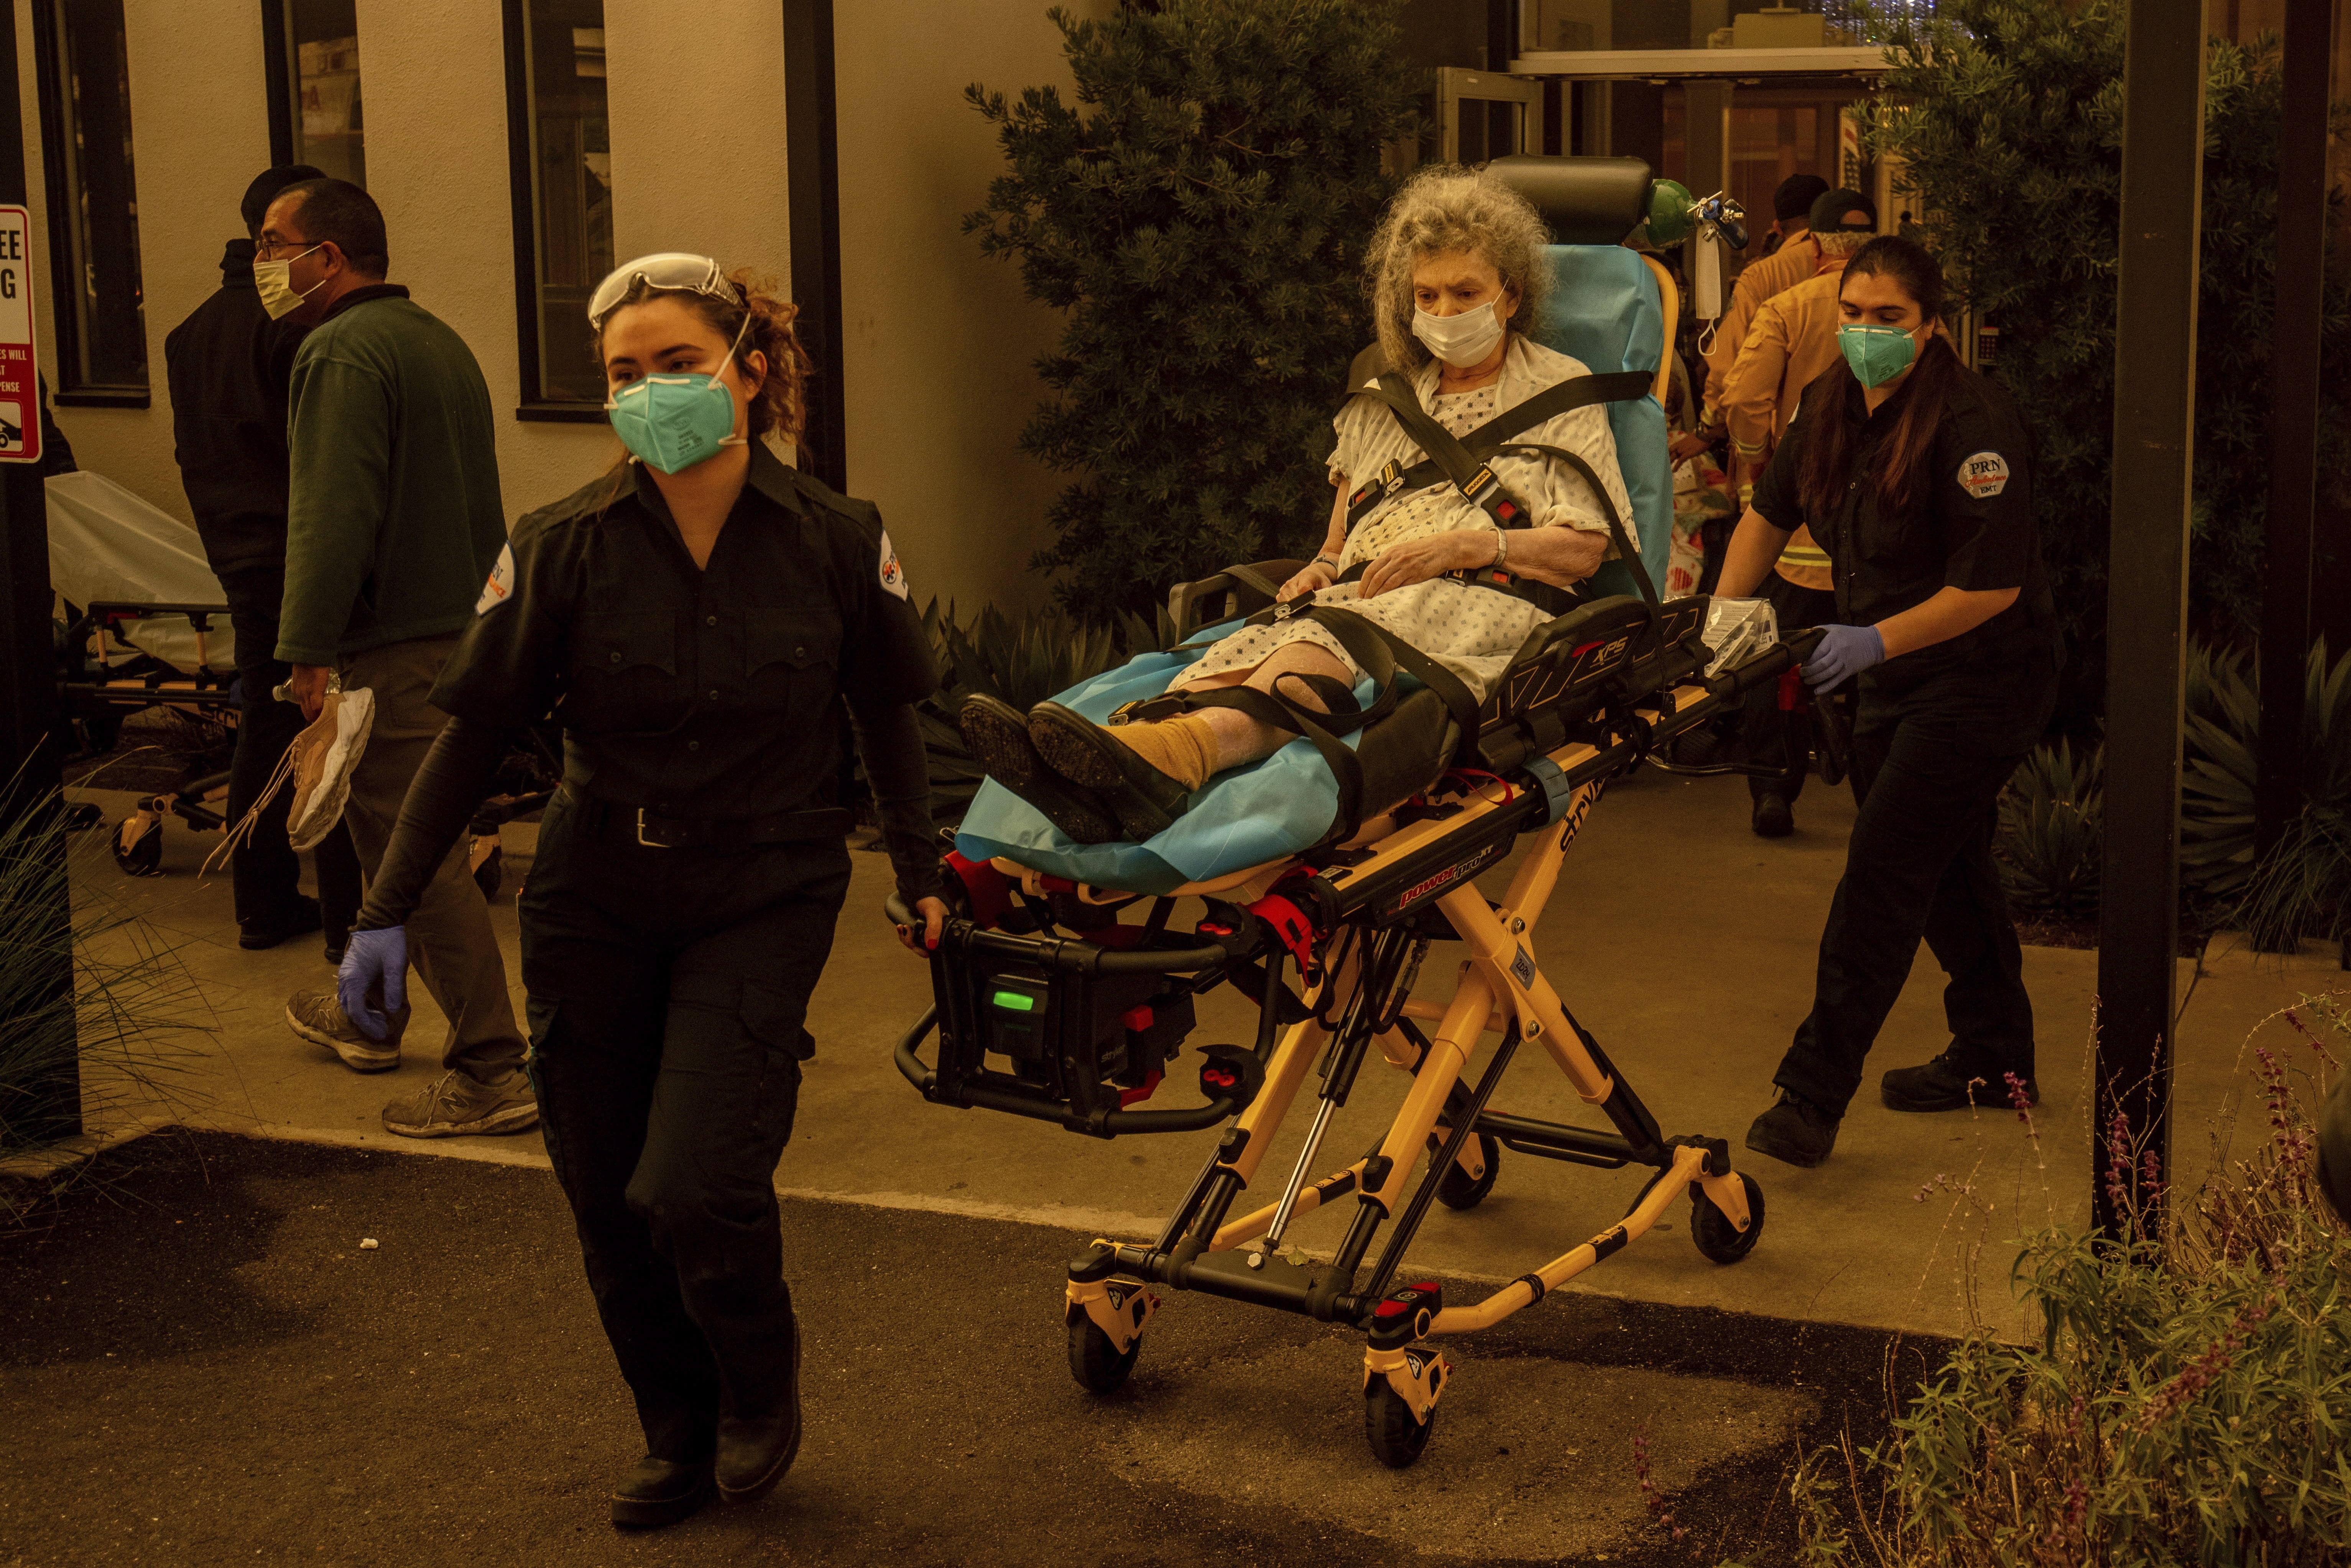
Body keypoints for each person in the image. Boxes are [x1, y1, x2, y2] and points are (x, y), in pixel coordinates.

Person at [331, 254, 950, 1527]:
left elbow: (887, 713)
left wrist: (924, 873)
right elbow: (472, 733)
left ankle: (754, 1379)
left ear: (749, 370)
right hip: (594, 892)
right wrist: (384, 910)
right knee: (607, 1191)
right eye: (624, 374)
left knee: (694, 1182)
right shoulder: (558, 545)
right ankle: (672, 1429)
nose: (649, 392)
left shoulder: (839, 537)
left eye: (676, 364)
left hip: (764, 885)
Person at [958, 166, 1633, 844]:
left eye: (1466, 292)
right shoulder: (1383, 401)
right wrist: (1319, 565)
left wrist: (1470, 546)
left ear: (1510, 296)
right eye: (1427, 295)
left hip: (1482, 595)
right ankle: (1129, 755)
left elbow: (1584, 549)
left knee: (1331, 634)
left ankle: (1175, 758)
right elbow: (1339, 542)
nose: (1446, 313)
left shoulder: (1561, 390)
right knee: (1258, 638)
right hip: (1368, 590)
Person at [1719, 236, 2060, 1169]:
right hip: (1891, 681)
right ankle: (1996, 1054)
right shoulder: (1830, 403)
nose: (1869, 332)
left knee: (1881, 873)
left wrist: (1871, 639)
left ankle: (1810, 1096)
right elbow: (1767, 512)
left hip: (1984, 679)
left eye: (1891, 318)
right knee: (1945, 870)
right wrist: (1716, 624)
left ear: (1931, 324)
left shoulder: (1971, 421)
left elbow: (1989, 588)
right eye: (1856, 314)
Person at [260, 177, 536, 1139]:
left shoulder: (338, 352)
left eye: (272, 243)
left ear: (327, 257)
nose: (264, 264)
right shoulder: (437, 341)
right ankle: (368, 1008)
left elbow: (331, 515)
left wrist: (304, 648)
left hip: (392, 644)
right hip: (462, 626)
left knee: (416, 854)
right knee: (392, 844)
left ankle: (493, 1065)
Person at [164, 162, 365, 960]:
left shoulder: (191, 333)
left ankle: (263, 899)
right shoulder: (297, 329)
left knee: (268, 718)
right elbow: (325, 459)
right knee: (339, 726)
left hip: (235, 552)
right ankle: (348, 921)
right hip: (302, 551)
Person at [1718, 187, 1881, 837]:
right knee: (1879, 661)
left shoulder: (1783, 305)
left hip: (1798, 529)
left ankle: (1773, 789)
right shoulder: (1907, 318)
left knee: (1774, 656)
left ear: (1811, 243)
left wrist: (1760, 464)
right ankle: (1877, 792)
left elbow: (1743, 398)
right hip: (1878, 525)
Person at [1697, 172, 1828, 423]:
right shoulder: (1861, 265)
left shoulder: (1762, 276)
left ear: (1778, 228)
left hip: (1779, 433)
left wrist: (1709, 424)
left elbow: (1727, 365)